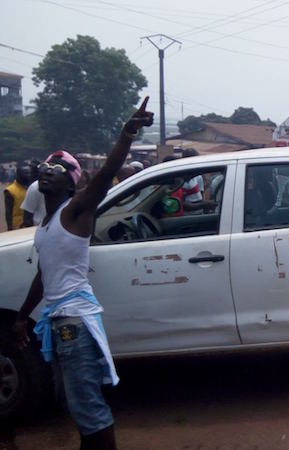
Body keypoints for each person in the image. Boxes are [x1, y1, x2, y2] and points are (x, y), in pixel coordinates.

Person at [10, 97, 153, 448]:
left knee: (87, 407)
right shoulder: (44, 228)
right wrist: (21, 317)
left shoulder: (76, 212)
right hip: (57, 323)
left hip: (74, 321)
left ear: (70, 184)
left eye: (57, 169)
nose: (46, 170)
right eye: (45, 166)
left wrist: (127, 134)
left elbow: (106, 174)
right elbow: (44, 277)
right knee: (69, 401)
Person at [4, 162, 33, 230]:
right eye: (26, 173)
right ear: (18, 174)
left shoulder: (32, 188)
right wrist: (10, 228)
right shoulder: (10, 190)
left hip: (31, 224)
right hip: (17, 225)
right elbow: (8, 212)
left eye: (29, 173)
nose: (29, 175)